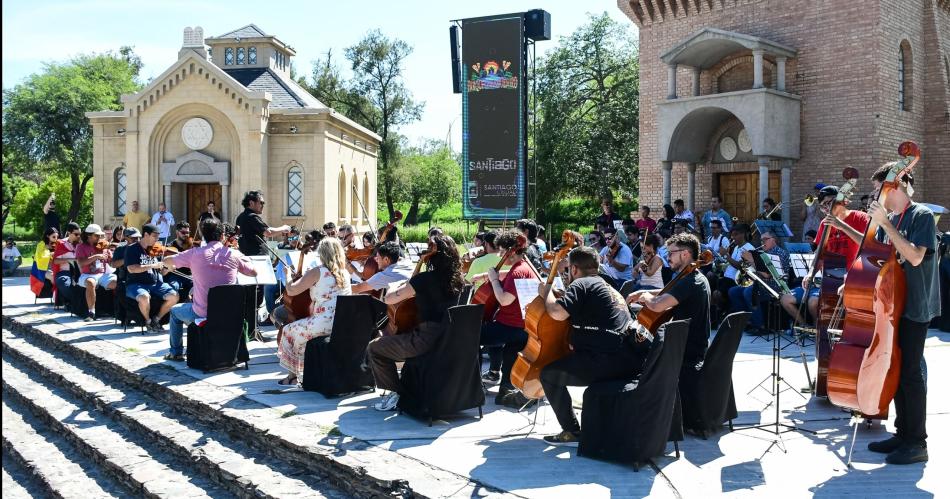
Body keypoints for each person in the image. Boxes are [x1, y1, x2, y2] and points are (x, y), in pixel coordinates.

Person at [865, 164, 938, 465]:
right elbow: (884, 260)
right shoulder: (893, 218)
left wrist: (887, 224)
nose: (879, 195)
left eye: (882, 189)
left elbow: (916, 256)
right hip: (894, 304)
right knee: (895, 369)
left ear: (896, 186)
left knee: (910, 372)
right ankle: (902, 433)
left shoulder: (920, 215)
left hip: (915, 305)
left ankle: (917, 442)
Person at [537, 246, 644, 445]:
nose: (568, 274)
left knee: (548, 375)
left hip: (604, 361)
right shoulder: (606, 285)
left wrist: (547, 293)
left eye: (568, 270)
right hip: (627, 360)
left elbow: (557, 313)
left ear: (575, 269)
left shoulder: (581, 283)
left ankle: (571, 431)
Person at [369, 235, 466, 410]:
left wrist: (395, 286)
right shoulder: (459, 279)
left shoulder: (424, 280)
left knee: (374, 347)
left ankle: (396, 392)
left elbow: (390, 299)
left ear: (432, 256)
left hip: (425, 341)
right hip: (450, 340)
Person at [159, 218, 257, 361]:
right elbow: (253, 272)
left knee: (174, 312)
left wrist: (172, 264)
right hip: (229, 314)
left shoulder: (194, 254)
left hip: (202, 314)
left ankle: (176, 352)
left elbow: (166, 261)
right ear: (222, 236)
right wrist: (239, 254)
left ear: (203, 236)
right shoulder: (233, 254)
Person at [626, 232, 712, 388]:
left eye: (671, 253)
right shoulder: (693, 276)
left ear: (685, 254)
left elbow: (658, 305)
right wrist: (642, 293)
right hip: (688, 343)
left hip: (687, 350)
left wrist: (645, 295)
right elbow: (669, 292)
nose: (668, 257)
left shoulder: (690, 281)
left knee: (635, 352)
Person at [275, 237, 352, 386]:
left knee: (288, 330)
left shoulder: (318, 271)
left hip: (323, 323)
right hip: (342, 323)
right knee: (300, 332)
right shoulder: (345, 273)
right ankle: (306, 369)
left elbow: (291, 290)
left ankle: (292, 376)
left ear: (322, 254)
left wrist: (288, 276)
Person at [479, 230, 538, 409]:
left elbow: (504, 300)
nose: (501, 255)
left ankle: (472, 385)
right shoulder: (526, 267)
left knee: (469, 336)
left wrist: (494, 280)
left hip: (510, 326)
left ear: (512, 251)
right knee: (510, 352)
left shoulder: (517, 271)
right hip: (523, 328)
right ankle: (506, 387)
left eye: (503, 251)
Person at [728, 230, 791, 333]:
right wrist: (748, 262)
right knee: (733, 291)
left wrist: (752, 261)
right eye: (761, 240)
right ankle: (746, 321)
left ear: (773, 240)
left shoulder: (778, 253)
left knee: (748, 292)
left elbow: (768, 274)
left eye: (765, 240)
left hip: (775, 286)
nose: (762, 243)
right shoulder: (764, 252)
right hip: (762, 283)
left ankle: (760, 326)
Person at [125, 223, 179, 332]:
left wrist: (168, 269)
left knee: (174, 296)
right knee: (144, 297)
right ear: (146, 235)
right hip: (136, 283)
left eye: (158, 236)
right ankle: (148, 321)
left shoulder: (155, 250)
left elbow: (161, 272)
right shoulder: (132, 249)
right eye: (155, 236)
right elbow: (131, 269)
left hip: (156, 283)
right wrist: (152, 265)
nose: (157, 239)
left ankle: (156, 319)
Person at [712, 224, 754, 324]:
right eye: (732, 235)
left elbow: (740, 266)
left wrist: (726, 255)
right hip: (727, 278)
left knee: (716, 294)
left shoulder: (748, 248)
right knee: (710, 286)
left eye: (735, 235)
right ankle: (718, 314)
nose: (733, 237)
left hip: (737, 280)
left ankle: (725, 311)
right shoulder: (736, 247)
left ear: (743, 235)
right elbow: (730, 263)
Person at [74, 224, 117, 321]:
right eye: (97, 236)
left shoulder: (103, 246)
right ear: (89, 235)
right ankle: (91, 312)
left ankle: (117, 310)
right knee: (91, 282)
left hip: (103, 274)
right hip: (87, 275)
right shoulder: (81, 247)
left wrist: (111, 256)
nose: (100, 238)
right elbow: (81, 263)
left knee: (118, 283)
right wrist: (96, 256)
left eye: (100, 236)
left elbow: (111, 263)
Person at [235, 190, 292, 257]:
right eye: (261, 203)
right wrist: (284, 228)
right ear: (251, 203)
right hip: (257, 257)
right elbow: (268, 232)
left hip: (246, 256)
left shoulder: (240, 217)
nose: (263, 205)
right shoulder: (252, 216)